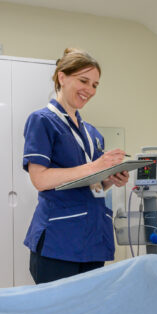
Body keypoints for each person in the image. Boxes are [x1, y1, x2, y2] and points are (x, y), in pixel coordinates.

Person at [23, 48, 129, 284]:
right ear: (62, 77)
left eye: (95, 85)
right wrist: (95, 167)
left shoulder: (92, 133)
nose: (90, 90)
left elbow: (91, 184)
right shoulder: (42, 121)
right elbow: (40, 179)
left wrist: (109, 179)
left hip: (93, 238)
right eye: (83, 81)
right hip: (59, 241)